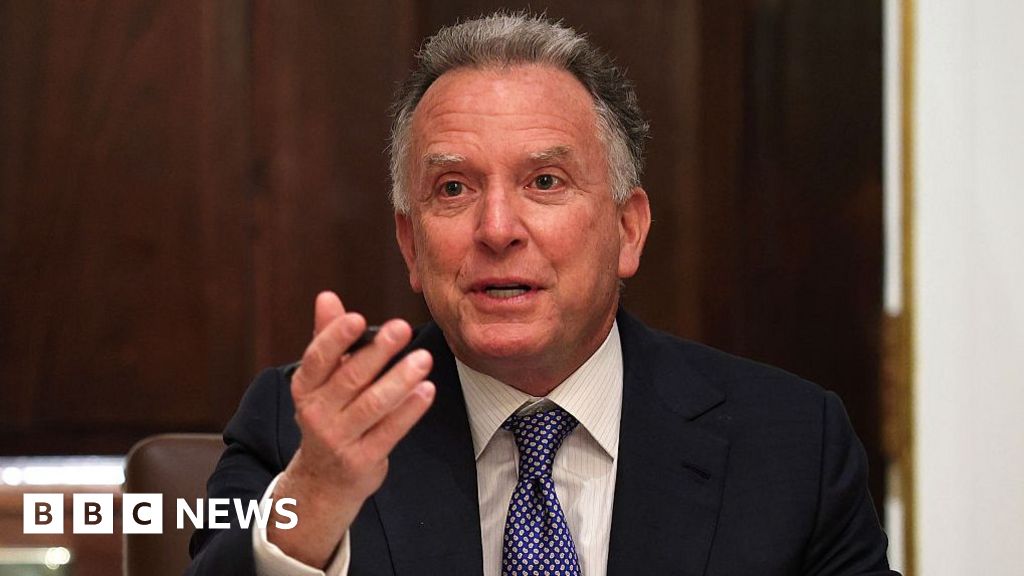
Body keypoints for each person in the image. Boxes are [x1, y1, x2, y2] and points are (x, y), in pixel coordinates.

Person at [187, 11, 898, 576]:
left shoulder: (790, 443)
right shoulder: (298, 432)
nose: (497, 229)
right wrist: (316, 499)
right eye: (454, 188)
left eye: (545, 182)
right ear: (410, 245)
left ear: (627, 229)